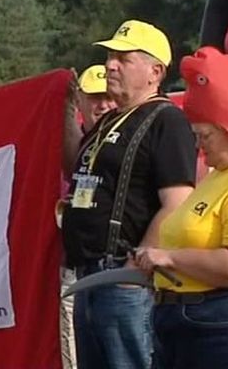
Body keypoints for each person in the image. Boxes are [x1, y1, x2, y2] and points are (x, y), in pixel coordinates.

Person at [61, 19, 197, 369]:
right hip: (90, 275)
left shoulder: (167, 121)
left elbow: (178, 202)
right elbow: (75, 165)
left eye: (124, 57)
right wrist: (64, 110)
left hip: (124, 279)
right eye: (109, 56)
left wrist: (135, 266)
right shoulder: (110, 120)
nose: (110, 64)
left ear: (155, 71)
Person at [135, 46, 228, 369]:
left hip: (214, 323)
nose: (199, 146)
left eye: (205, 135)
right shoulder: (217, 176)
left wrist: (169, 257)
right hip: (180, 319)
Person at [59, 64, 117, 369]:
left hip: (119, 270)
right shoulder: (80, 145)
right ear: (80, 101)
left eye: (108, 96)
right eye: (94, 97)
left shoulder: (127, 141)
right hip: (76, 269)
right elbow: (70, 167)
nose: (103, 104)